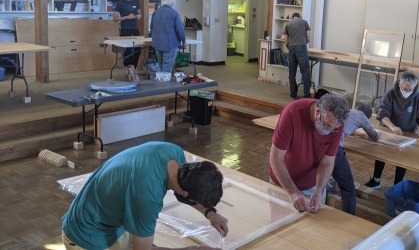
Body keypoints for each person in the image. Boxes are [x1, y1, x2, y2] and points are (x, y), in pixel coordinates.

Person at [62, 141, 228, 250]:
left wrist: (211, 213)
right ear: (185, 194)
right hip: (86, 237)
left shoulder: (174, 154)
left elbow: (185, 192)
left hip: (103, 218)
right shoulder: (146, 198)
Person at [269, 92, 350, 213]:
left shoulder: (336, 125)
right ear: (318, 111)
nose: (330, 130)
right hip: (283, 183)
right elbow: (276, 158)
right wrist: (292, 192)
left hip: (311, 184)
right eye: (327, 125)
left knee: (312, 229)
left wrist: (318, 191)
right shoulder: (292, 112)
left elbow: (327, 162)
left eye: (334, 128)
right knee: (280, 224)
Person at [314, 90, 379, 215]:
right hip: (334, 148)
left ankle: (319, 202)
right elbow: (374, 136)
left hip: (319, 143)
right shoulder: (362, 116)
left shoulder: (345, 110)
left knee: (317, 177)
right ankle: (349, 218)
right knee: (348, 189)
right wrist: (377, 135)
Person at [365, 72, 419, 189]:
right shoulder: (390, 94)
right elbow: (382, 113)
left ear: (414, 87)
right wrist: (392, 127)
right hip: (388, 130)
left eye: (409, 89)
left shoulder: (418, 98)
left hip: (408, 133)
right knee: (382, 154)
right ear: (400, 84)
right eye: (404, 88)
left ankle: (397, 184)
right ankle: (376, 180)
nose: (406, 91)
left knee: (402, 159)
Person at [150, 0, 186, 73]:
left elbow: (151, 27)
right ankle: (165, 84)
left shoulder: (155, 12)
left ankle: (161, 82)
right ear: (172, 3)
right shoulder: (174, 13)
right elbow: (180, 29)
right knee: (167, 68)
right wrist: (183, 41)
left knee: (161, 65)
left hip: (157, 44)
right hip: (170, 44)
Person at [113, 0, 142, 70]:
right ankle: (127, 69)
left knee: (138, 49)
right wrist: (126, 17)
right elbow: (114, 19)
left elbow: (139, 12)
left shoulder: (136, 1)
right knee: (127, 50)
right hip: (125, 29)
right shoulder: (120, 4)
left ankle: (133, 68)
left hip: (135, 29)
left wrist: (139, 15)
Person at [284, 12, 311, 99]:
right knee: (306, 72)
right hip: (301, 49)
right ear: (300, 17)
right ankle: (306, 95)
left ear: (292, 17)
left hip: (291, 49)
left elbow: (286, 42)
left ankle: (293, 95)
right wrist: (303, 45)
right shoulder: (304, 22)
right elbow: (308, 38)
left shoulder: (288, 24)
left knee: (292, 73)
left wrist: (290, 48)